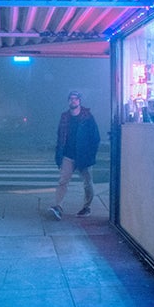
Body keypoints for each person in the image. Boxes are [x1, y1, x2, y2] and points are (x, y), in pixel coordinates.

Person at [47, 90, 100, 219]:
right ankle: (58, 207)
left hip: (83, 155)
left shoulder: (87, 117)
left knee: (87, 182)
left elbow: (95, 137)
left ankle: (86, 207)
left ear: (79, 101)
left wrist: (90, 154)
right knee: (63, 181)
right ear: (68, 101)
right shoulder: (65, 117)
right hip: (68, 155)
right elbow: (60, 136)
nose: (73, 101)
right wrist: (58, 155)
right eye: (71, 98)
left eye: (75, 99)